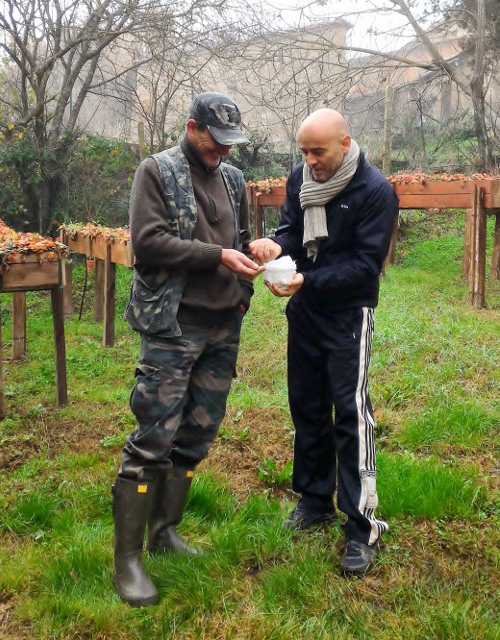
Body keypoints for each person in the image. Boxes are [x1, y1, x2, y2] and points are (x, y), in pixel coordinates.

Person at [113, 92, 264, 607]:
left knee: (196, 436)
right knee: (153, 439)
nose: (221, 151)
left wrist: (252, 258)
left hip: (224, 325)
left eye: (229, 143)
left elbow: (238, 241)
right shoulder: (156, 171)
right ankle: (128, 562)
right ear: (192, 127)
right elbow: (148, 242)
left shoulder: (233, 178)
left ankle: (164, 533)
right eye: (214, 140)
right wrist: (216, 254)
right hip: (174, 325)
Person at [249, 108, 398, 576]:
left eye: (319, 151)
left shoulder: (375, 191)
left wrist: (306, 282)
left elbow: (365, 266)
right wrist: (277, 246)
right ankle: (315, 501)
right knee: (307, 406)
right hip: (307, 312)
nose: (310, 160)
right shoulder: (300, 179)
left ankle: (362, 526)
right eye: (304, 151)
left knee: (351, 414)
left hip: (349, 314)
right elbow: (293, 231)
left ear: (345, 143)